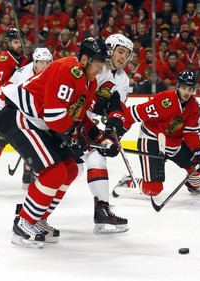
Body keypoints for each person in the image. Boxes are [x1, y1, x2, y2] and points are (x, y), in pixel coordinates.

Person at [0, 37, 110, 248]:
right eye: (97, 65)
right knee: (54, 172)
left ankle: (37, 218)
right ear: (84, 59)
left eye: (102, 66)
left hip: (37, 122)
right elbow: (55, 117)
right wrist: (76, 135)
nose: (100, 70)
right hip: (18, 116)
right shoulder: (69, 68)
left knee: (70, 169)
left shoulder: (89, 82)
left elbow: (79, 117)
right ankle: (23, 223)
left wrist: (100, 138)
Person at [113, 71, 200, 197]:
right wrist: (116, 136)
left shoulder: (193, 106)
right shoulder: (165, 101)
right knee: (153, 189)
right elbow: (133, 114)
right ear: (177, 86)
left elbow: (190, 132)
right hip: (152, 139)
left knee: (196, 168)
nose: (187, 92)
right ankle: (128, 182)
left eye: (190, 89)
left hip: (174, 143)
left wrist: (198, 151)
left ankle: (193, 187)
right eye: (183, 88)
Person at [84, 33, 133, 234]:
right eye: (121, 51)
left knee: (98, 158)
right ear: (110, 49)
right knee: (68, 168)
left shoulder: (122, 79)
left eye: (127, 54)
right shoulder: (97, 66)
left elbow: (117, 108)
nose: (124, 57)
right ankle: (33, 212)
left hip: (89, 126)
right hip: (72, 120)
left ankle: (102, 210)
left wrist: (112, 134)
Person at [8, 47, 53, 189]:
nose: (45, 66)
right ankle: (29, 170)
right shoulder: (23, 74)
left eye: (48, 62)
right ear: (34, 62)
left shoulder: (54, 72)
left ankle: (32, 170)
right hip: (19, 110)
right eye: (41, 62)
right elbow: (9, 92)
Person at [0, 28, 29, 159]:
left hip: (14, 109)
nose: (19, 45)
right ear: (9, 43)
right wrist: (16, 76)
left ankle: (28, 173)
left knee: (28, 143)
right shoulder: (3, 60)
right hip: (0, 108)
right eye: (16, 42)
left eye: (21, 42)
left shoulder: (24, 61)